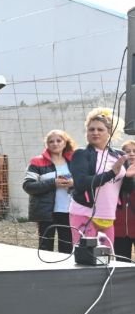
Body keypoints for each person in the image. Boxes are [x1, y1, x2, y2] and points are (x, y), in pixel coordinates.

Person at [69, 108, 135, 247]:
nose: (95, 132)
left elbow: (124, 189)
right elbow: (81, 183)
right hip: (84, 213)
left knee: (107, 259)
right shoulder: (81, 154)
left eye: (100, 129)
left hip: (108, 216)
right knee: (87, 258)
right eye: (91, 129)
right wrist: (111, 173)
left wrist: (128, 178)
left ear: (110, 132)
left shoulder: (118, 155)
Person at [22, 129, 76, 253]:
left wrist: (74, 183)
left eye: (59, 140)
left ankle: (66, 271)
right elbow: (28, 186)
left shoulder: (73, 161)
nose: (55, 144)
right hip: (46, 212)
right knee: (45, 248)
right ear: (47, 144)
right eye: (51, 141)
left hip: (68, 211)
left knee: (67, 248)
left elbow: (82, 182)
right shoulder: (37, 162)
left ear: (65, 142)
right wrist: (53, 182)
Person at [113, 140, 135, 260]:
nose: (131, 154)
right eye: (128, 151)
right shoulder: (116, 173)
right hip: (119, 227)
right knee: (122, 263)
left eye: (134, 151)